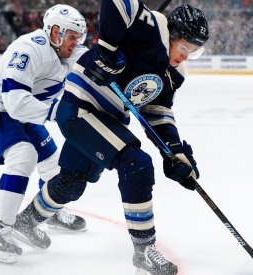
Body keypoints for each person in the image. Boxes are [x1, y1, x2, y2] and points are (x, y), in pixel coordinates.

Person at [15, 2, 209, 274]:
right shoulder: (148, 29)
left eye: (195, 51)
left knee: (72, 183)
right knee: (137, 163)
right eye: (185, 47)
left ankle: (24, 222)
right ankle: (144, 250)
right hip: (80, 106)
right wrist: (105, 52)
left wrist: (175, 152)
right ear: (172, 34)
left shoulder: (173, 75)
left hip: (107, 117)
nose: (187, 56)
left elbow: (157, 111)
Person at [0, 4, 88, 264]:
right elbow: (15, 102)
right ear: (55, 32)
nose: (76, 42)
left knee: (52, 164)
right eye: (72, 36)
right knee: (23, 155)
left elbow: (96, 67)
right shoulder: (28, 49)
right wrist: (58, 112)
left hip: (25, 111)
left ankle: (47, 213)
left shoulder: (71, 52)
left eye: (79, 37)